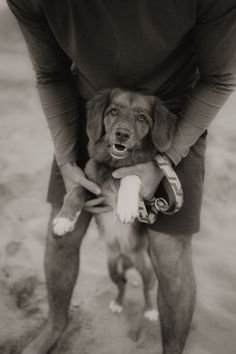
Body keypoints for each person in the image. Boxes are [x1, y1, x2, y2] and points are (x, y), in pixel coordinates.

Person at [7, 1, 236, 354]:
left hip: (171, 121)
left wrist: (166, 159)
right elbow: (51, 74)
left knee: (170, 251)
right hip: (95, 116)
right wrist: (68, 160)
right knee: (61, 233)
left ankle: (172, 349)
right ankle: (55, 323)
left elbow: (219, 78)